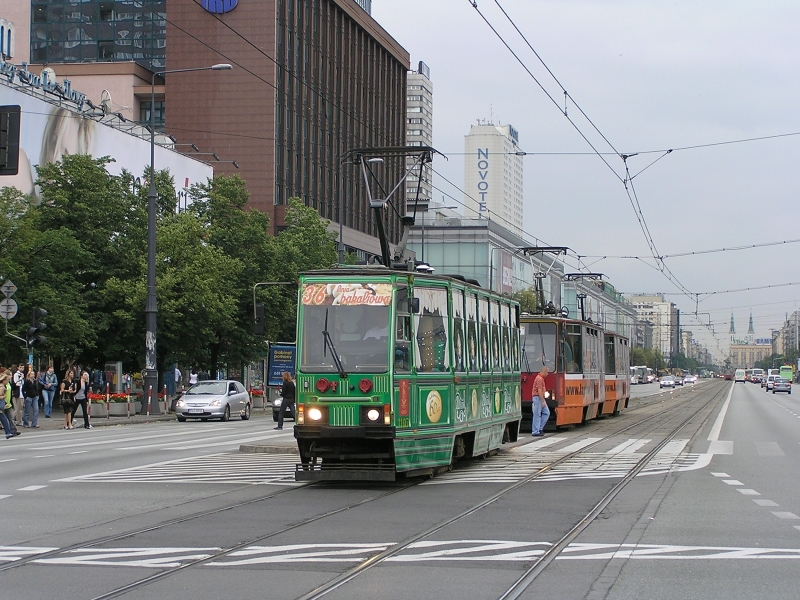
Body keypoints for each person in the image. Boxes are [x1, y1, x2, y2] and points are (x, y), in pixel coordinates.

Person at [0, 372, 20, 439]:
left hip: (4, 405)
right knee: (5, 420)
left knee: (5, 420)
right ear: (4, 380)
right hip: (1, 406)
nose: (8, 381)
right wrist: (3, 396)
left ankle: (8, 432)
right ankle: (8, 433)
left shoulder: (4, 386)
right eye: (7, 380)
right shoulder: (2, 387)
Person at [532, 366, 550, 437]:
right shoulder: (539, 379)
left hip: (540, 398)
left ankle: (539, 428)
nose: (548, 374)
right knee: (537, 415)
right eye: (547, 372)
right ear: (544, 371)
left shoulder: (541, 378)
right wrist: (543, 401)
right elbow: (539, 390)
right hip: (538, 398)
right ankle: (535, 431)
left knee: (546, 413)